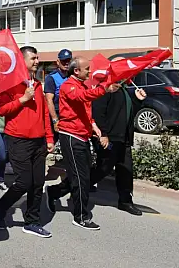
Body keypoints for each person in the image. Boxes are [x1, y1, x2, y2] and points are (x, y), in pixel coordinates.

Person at [46, 62, 147, 216]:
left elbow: (127, 113)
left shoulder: (123, 88)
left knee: (126, 170)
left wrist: (138, 101)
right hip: (110, 139)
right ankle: (58, 191)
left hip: (123, 138)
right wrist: (103, 134)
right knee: (100, 170)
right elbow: (97, 113)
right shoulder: (105, 88)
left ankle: (125, 201)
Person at [0, 46, 54, 238]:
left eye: (38, 58)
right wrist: (23, 99)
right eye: (33, 58)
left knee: (38, 183)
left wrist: (49, 138)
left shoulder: (36, 84)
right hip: (18, 140)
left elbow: (44, 113)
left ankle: (32, 221)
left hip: (39, 142)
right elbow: (2, 110)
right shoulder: (9, 84)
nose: (37, 61)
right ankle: (1, 206)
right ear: (22, 61)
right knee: (23, 182)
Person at [55, 57, 120, 230]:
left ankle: (54, 193)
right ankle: (81, 216)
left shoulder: (82, 85)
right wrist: (104, 88)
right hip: (70, 135)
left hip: (82, 135)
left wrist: (94, 126)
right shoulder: (68, 86)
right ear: (76, 71)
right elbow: (83, 97)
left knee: (82, 175)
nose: (90, 72)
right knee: (81, 177)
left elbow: (85, 109)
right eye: (87, 69)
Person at [44, 49, 72, 138]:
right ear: (58, 61)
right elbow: (49, 101)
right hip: (57, 114)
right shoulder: (51, 77)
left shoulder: (73, 76)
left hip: (70, 115)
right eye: (64, 61)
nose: (66, 63)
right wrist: (55, 120)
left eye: (68, 60)